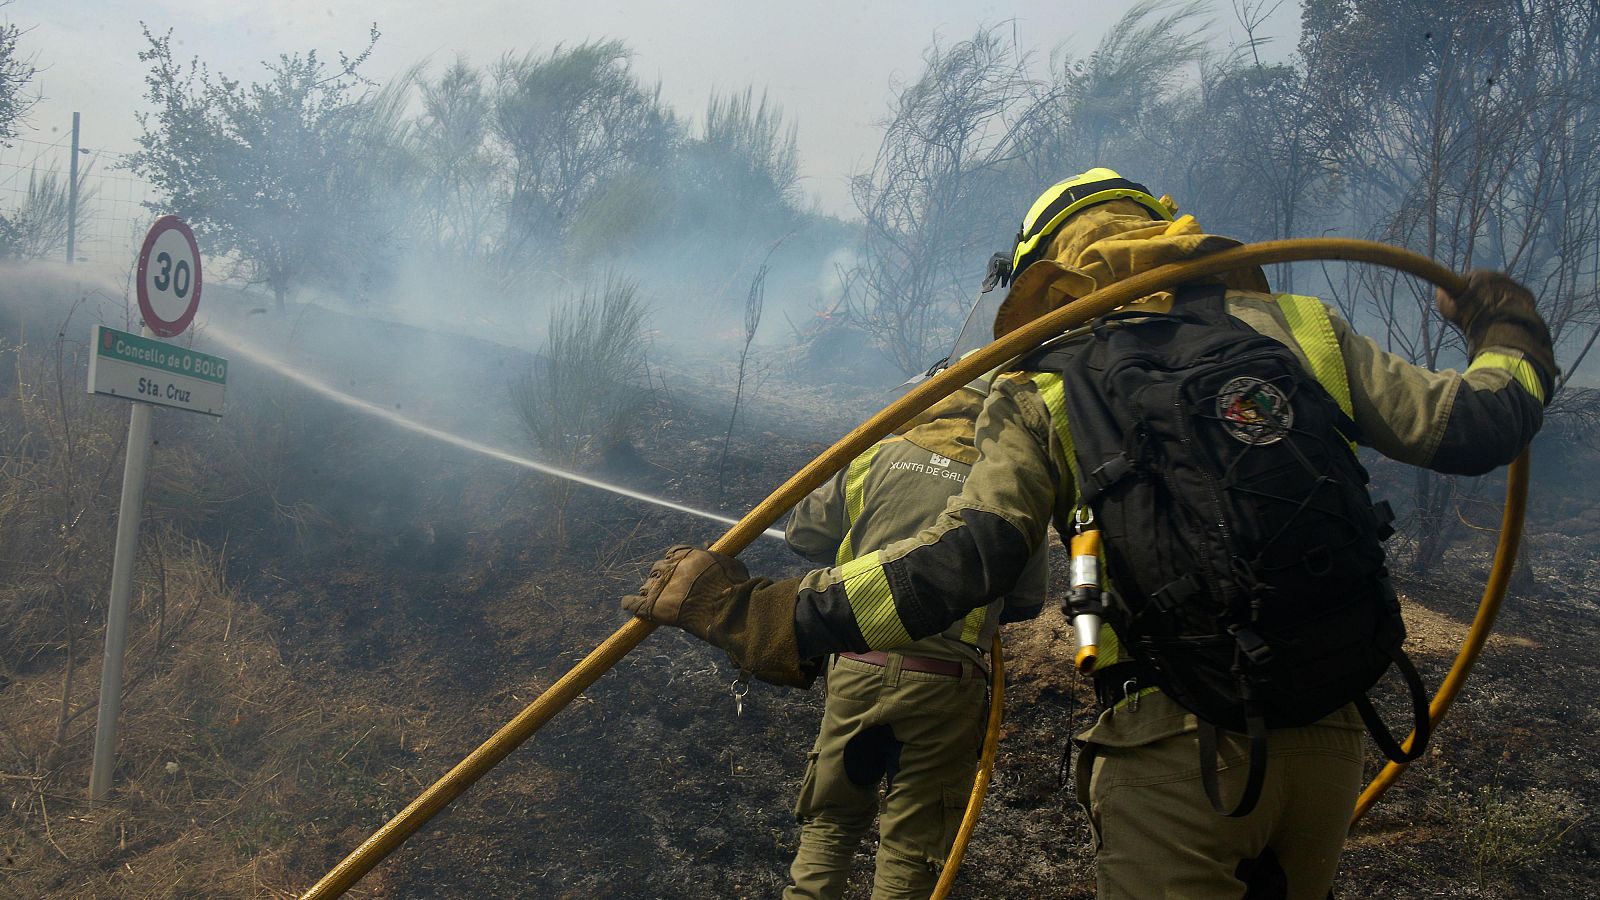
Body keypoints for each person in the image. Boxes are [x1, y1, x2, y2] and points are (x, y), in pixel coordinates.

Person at [624, 167, 1556, 898]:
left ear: (1051, 271)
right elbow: (1481, 425)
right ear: (1169, 232)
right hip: (1332, 731)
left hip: (1174, 747)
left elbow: (969, 560)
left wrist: (768, 616)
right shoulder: (1300, 329)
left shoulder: (1049, 380)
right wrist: (1509, 327)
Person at [780, 384, 1046, 899]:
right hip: (945, 689)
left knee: (829, 827)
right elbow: (1027, 601)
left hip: (858, 666)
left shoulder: (877, 450)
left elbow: (804, 534)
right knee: (910, 852)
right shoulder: (1012, 483)